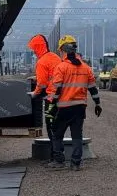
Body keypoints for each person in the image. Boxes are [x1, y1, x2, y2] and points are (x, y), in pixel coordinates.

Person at [47, 35, 102, 171]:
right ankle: (76, 163)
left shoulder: (61, 67)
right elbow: (93, 89)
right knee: (77, 135)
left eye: (60, 50)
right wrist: (97, 104)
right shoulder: (86, 68)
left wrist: (52, 106)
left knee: (57, 134)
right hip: (80, 108)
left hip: (64, 107)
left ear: (63, 50)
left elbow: (57, 89)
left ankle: (59, 161)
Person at [27, 34, 62, 163]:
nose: (34, 52)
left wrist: (35, 93)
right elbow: (52, 75)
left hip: (51, 98)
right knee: (58, 127)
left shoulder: (41, 62)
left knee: (51, 127)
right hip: (61, 97)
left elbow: (42, 83)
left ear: (38, 48)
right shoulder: (55, 57)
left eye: (34, 49)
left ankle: (56, 158)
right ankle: (56, 156)